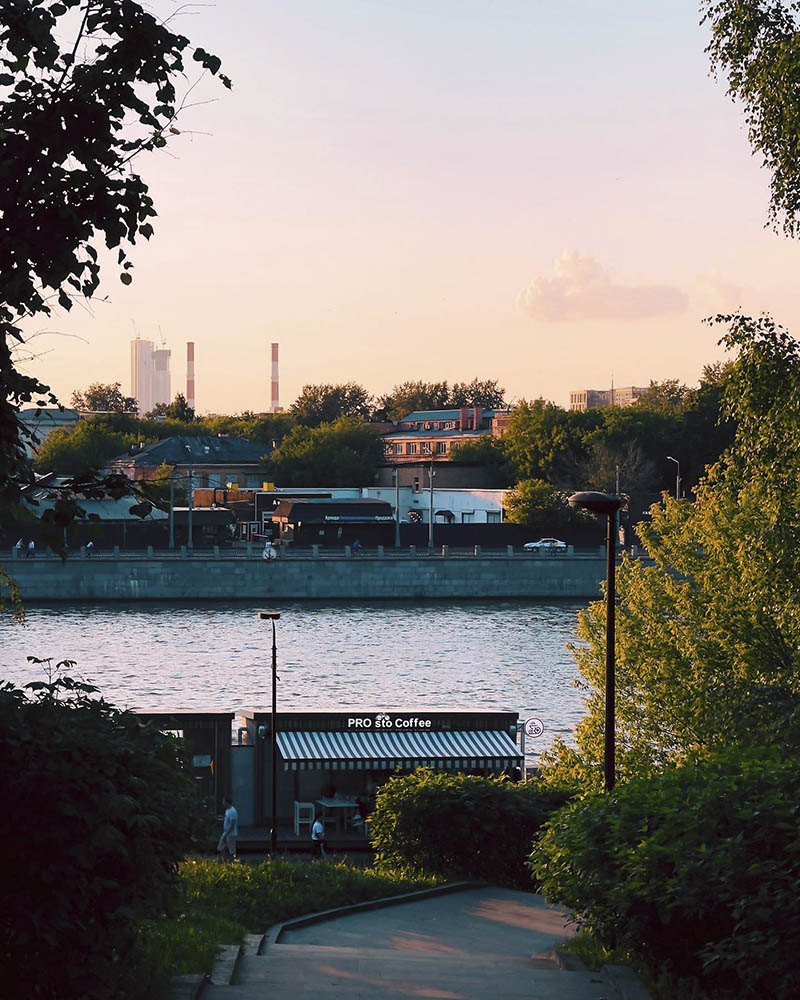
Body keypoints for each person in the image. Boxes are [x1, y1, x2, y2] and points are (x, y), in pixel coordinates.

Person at [217, 796, 238, 861]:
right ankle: (225, 860)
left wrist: (226, 835)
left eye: (223, 801)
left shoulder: (232, 811)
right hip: (226, 832)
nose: (222, 803)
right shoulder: (227, 810)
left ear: (227, 802)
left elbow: (232, 825)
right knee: (221, 847)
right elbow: (227, 819)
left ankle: (233, 862)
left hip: (231, 834)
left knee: (231, 850)